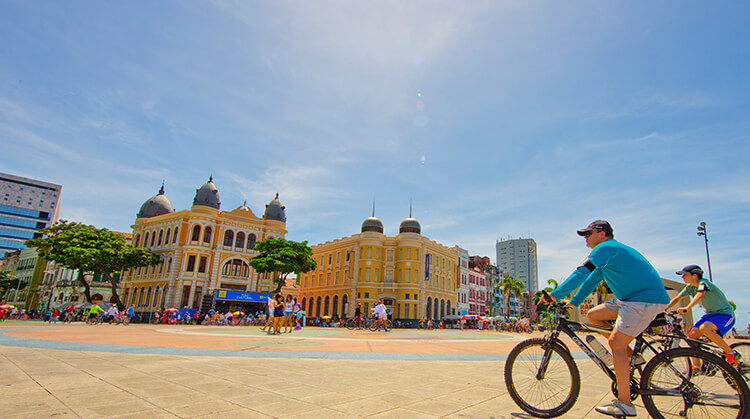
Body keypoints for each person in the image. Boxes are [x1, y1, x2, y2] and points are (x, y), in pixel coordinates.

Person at [541, 220, 669, 417]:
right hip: (629, 300)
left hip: (643, 300)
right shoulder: (608, 256)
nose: (585, 238)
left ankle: (625, 403)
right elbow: (590, 280)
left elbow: (580, 272)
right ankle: (629, 356)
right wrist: (573, 302)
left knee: (615, 343)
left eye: (588, 233)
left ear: (602, 233)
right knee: (593, 315)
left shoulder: (606, 248)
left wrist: (554, 295)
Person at [665, 264, 740, 367]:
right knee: (691, 338)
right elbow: (677, 299)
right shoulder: (690, 287)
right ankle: (696, 367)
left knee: (705, 328)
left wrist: (687, 308)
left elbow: (700, 294)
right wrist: (664, 309)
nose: (682, 277)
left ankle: (731, 353)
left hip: (725, 314)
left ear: (695, 275)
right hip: (709, 315)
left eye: (685, 275)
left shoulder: (703, 283)